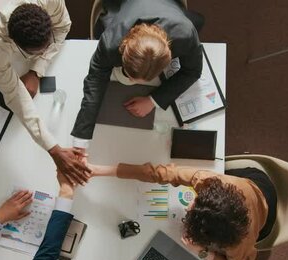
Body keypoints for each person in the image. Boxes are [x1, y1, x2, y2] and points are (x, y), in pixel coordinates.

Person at [0, 0, 90, 185]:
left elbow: (63, 27)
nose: (45, 51)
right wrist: (53, 149)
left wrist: (36, 69)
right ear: (14, 42)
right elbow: (13, 93)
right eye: (35, 53)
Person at [88, 162, 277, 260]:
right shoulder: (213, 182)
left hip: (264, 217)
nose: (187, 206)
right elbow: (161, 173)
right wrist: (99, 170)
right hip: (254, 180)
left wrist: (202, 252)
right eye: (196, 202)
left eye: (191, 211)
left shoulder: (239, 244)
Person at [70, 0, 204, 149]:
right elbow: (95, 79)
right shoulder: (110, 42)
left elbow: (193, 71)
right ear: (122, 55)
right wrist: (80, 139)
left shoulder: (185, 33)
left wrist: (153, 100)